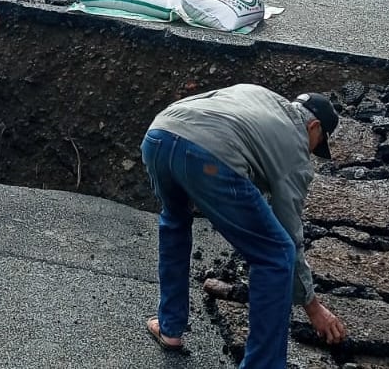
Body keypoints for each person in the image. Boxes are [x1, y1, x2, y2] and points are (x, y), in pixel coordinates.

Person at [140, 85, 348, 366]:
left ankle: (170, 328)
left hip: (159, 137)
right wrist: (312, 306)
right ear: (313, 127)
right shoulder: (296, 149)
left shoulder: (259, 96)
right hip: (208, 161)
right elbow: (289, 232)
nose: (312, 152)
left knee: (175, 221)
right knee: (276, 255)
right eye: (318, 143)